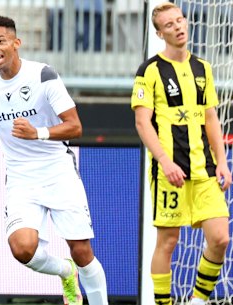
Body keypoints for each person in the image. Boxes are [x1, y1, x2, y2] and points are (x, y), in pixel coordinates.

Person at [0, 16, 108, 305]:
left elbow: (75, 126)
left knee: (81, 250)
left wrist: (38, 133)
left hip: (57, 170)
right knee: (22, 249)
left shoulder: (44, 76)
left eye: (0, 41)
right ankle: (66, 273)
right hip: (20, 177)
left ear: (16, 43)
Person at [131, 3, 231, 305]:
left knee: (220, 238)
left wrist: (223, 161)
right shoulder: (149, 71)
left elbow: (211, 117)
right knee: (168, 241)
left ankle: (198, 301)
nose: (178, 26)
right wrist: (164, 160)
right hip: (169, 171)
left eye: (180, 20)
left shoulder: (204, 68)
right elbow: (141, 121)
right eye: (169, 24)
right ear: (160, 33)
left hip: (205, 170)